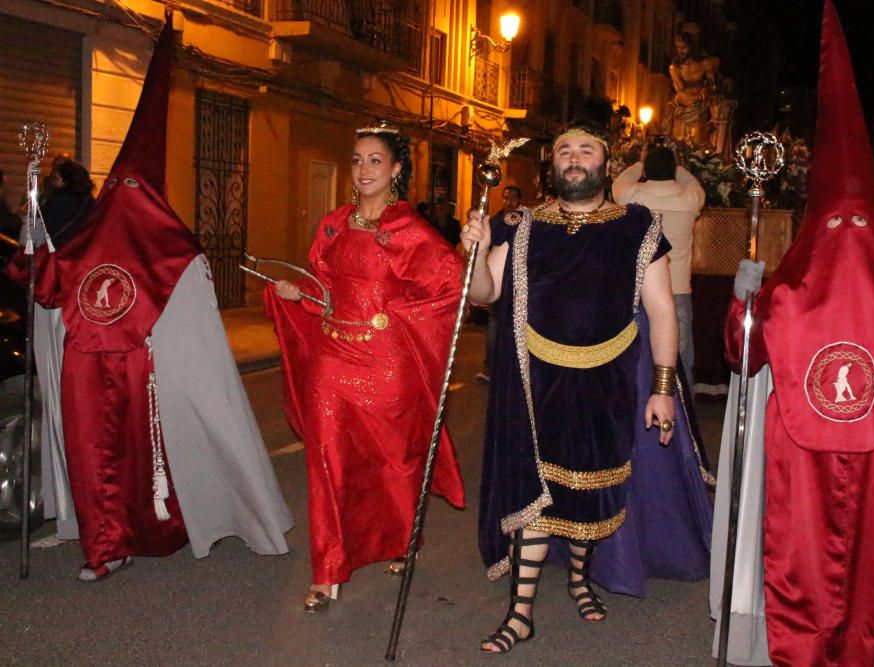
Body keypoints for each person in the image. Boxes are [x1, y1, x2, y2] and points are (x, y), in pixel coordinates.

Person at [709, 3, 874, 665]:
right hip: (791, 459)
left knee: (864, 566)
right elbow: (744, 357)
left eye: (858, 222)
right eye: (835, 222)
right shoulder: (787, 288)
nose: (846, 238)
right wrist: (745, 304)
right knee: (796, 561)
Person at [14, 17, 292, 581]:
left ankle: (156, 529)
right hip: (84, 375)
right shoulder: (90, 241)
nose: (124, 199)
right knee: (96, 463)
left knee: (149, 463)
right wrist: (31, 235)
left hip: (141, 377)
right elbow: (47, 284)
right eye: (118, 188)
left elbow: (185, 305)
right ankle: (103, 546)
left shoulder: (169, 250)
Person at [462, 122, 714, 654]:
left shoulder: (637, 226)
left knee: (591, 489)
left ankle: (579, 577)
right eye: (564, 151)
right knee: (537, 493)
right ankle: (520, 613)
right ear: (552, 165)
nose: (574, 158)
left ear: (606, 162)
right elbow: (486, 294)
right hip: (536, 381)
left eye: (586, 150)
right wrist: (477, 253)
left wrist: (663, 388)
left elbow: (664, 313)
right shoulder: (522, 223)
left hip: (609, 380)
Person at [266, 122, 466, 612]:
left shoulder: (410, 231)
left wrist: (397, 317)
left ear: (396, 169)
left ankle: (401, 539)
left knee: (394, 463)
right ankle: (328, 571)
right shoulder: (333, 225)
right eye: (357, 160)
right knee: (328, 461)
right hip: (333, 360)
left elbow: (451, 288)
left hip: (386, 365)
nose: (364, 169)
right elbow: (324, 291)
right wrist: (298, 293)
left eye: (375, 160)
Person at [613, 145, 705, 388]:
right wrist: (678, 165)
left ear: (646, 170)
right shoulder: (689, 198)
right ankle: (682, 419)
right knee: (680, 360)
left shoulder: (632, 196)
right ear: (674, 170)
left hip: (640, 290)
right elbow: (693, 182)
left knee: (637, 358)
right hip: (677, 289)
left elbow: (619, 181)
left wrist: (640, 163)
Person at [475, 184, 522, 384]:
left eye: (511, 198)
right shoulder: (496, 221)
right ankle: (490, 368)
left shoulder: (525, 221)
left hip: (517, 284)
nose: (507, 202)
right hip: (497, 281)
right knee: (494, 328)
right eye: (505, 197)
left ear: (519, 200)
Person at [38, 159, 95, 248]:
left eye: (56, 178)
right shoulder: (90, 201)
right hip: (82, 250)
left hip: (59, 251)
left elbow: (45, 225)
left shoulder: (57, 200)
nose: (54, 182)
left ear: (67, 181)